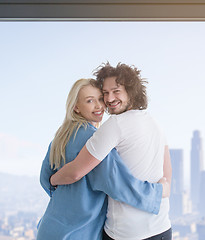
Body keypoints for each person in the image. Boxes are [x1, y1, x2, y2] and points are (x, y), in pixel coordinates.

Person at [51, 63, 172, 240]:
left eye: (116, 91)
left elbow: (76, 172)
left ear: (131, 91)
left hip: (127, 234)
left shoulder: (115, 125)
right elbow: (167, 177)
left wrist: (52, 179)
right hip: (162, 228)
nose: (109, 99)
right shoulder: (156, 123)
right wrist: (163, 190)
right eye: (105, 93)